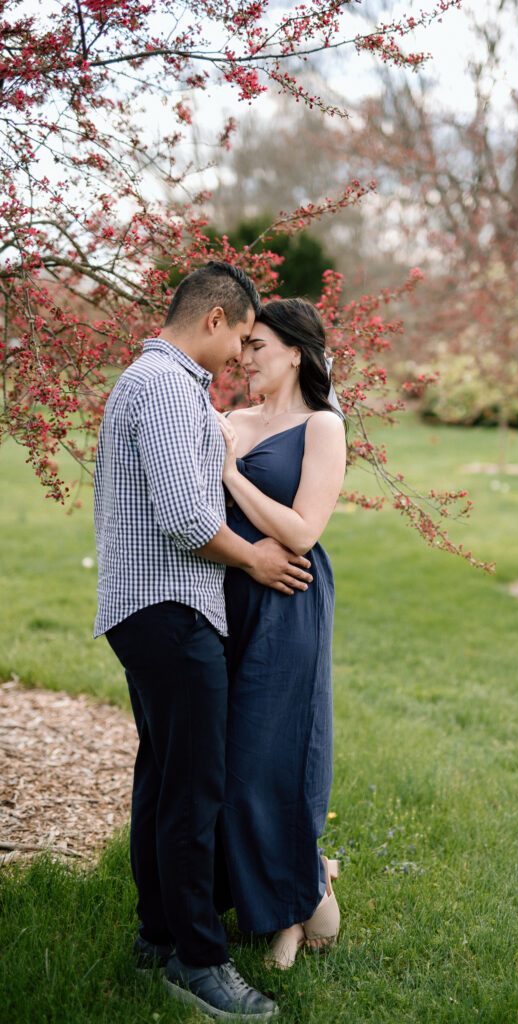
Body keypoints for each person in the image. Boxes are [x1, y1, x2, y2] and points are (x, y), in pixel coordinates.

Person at [93, 261, 313, 1021]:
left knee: (162, 777)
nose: (240, 360)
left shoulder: (160, 384)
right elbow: (187, 518)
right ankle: (198, 961)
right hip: (170, 611)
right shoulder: (164, 387)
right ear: (215, 320)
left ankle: (157, 934)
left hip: (147, 610)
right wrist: (254, 556)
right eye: (242, 338)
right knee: (193, 789)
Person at [214, 297, 347, 971]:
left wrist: (233, 472)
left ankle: (295, 907)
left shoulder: (323, 427)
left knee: (273, 756)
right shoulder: (229, 420)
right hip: (225, 594)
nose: (244, 359)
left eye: (258, 346)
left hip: (288, 600)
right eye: (243, 347)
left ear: (296, 351)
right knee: (228, 760)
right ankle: (304, 876)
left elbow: (301, 531)